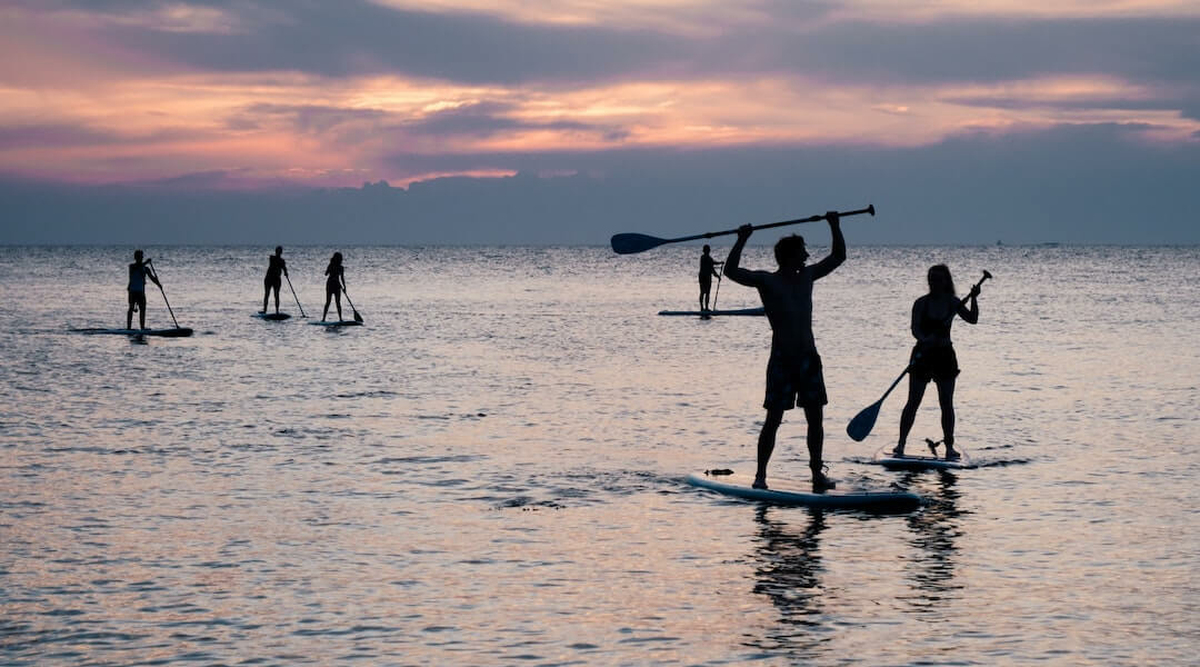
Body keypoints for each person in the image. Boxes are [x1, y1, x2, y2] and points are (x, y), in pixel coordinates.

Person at [724, 212, 845, 492]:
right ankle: (760, 476)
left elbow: (838, 256)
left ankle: (817, 474)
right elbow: (731, 272)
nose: (806, 256)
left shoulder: (808, 276)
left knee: (815, 419)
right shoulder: (768, 281)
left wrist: (834, 226)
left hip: (808, 359)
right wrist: (742, 240)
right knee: (773, 419)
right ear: (790, 256)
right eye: (802, 252)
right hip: (782, 360)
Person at [893, 265, 979, 460]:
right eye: (931, 279)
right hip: (923, 355)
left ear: (946, 281)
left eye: (938, 279)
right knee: (913, 402)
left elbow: (973, 319)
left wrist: (974, 298)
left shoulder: (953, 302)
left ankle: (949, 447)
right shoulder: (921, 303)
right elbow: (915, 328)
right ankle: (901, 444)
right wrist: (925, 339)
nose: (934, 283)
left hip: (945, 357)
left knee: (946, 403)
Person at [126, 249, 161, 330]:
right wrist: (146, 262)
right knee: (131, 308)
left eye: (141, 256)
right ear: (135, 257)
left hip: (141, 291)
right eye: (139, 257)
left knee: (143, 309)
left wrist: (159, 285)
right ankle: (128, 328)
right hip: (132, 291)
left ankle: (142, 327)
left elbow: (152, 278)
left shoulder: (146, 268)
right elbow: (137, 267)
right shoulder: (132, 266)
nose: (140, 258)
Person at [261, 246, 289, 314]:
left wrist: (286, 273)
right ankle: (264, 310)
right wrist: (283, 268)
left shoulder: (282, 261)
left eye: (280, 251)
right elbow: (278, 263)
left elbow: (284, 269)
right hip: (269, 279)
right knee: (267, 294)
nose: (279, 253)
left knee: (276, 295)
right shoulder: (272, 258)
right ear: (276, 251)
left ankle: (277, 311)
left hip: (277, 280)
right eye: (278, 251)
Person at [322, 251, 346, 322]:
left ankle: (340, 318)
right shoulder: (332, 265)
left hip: (337, 286)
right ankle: (323, 319)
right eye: (340, 259)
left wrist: (344, 287)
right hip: (330, 285)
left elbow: (342, 278)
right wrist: (330, 269)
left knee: (338, 303)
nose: (341, 260)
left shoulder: (341, 268)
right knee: (328, 302)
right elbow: (326, 274)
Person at [698, 245, 722, 313]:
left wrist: (719, 263)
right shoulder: (704, 258)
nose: (708, 251)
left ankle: (705, 308)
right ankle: (703, 308)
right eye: (707, 250)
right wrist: (717, 276)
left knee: (706, 293)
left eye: (708, 250)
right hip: (704, 277)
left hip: (705, 277)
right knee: (703, 292)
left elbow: (712, 265)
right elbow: (712, 268)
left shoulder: (707, 258)